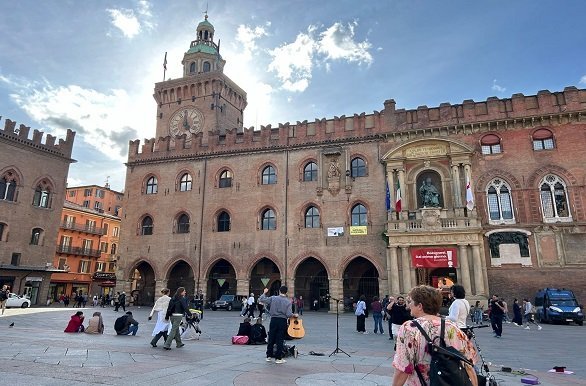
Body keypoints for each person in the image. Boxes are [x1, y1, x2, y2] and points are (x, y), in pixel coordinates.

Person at [392, 285, 477, 386]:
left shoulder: (409, 328)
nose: (409, 305)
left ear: (420, 306)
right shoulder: (453, 327)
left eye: (411, 302)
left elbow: (403, 368)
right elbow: (468, 365)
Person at [259, 286, 297, 364]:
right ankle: (278, 358)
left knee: (271, 337)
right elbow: (289, 314)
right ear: (286, 292)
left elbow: (262, 299)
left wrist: (264, 292)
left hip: (273, 320)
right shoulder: (288, 302)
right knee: (280, 339)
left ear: (279, 291)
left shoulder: (273, 298)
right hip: (282, 321)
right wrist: (294, 315)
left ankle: (268, 356)